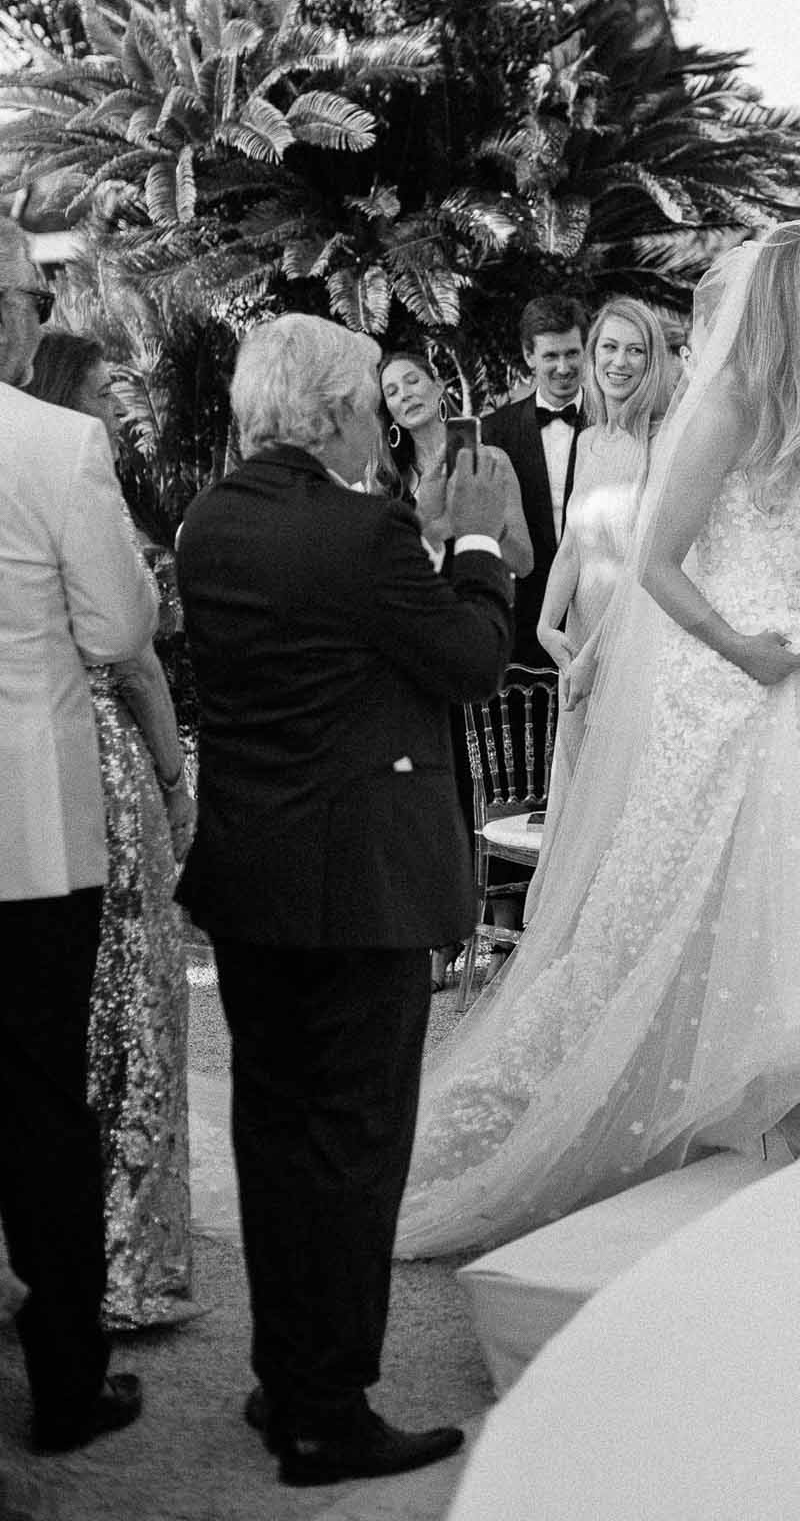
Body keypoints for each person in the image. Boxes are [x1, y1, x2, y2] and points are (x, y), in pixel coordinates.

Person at [395, 221, 800, 1257]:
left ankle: (792, 1100)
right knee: (671, 901)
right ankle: (683, 1110)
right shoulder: (724, 402)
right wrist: (739, 647)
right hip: (727, 670)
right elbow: (662, 564)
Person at [175, 314, 513, 1486]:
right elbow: (469, 659)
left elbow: (339, 638)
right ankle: (330, 1411)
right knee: (357, 1142)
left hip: (252, 874)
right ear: (330, 411)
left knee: (274, 1134)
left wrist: (411, 546)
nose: (379, 414)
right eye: (368, 398)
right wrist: (470, 545)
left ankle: (288, 1377)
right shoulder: (365, 529)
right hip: (358, 881)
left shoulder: (210, 520)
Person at [0, 218, 154, 1453]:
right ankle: (63, 1382)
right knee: (43, 1101)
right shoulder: (56, 445)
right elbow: (113, 627)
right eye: (28, 292)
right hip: (29, 834)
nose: (35, 312)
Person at [27, 332, 198, 1332]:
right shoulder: (74, 474)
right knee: (134, 1005)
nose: (117, 409)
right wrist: (177, 774)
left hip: (39, 750)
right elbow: (131, 656)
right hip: (103, 752)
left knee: (66, 1014)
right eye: (102, 391)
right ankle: (127, 1267)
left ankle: (63, 1249)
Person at [536, 298, 674, 791]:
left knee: (619, 787)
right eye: (610, 347)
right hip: (577, 641)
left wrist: (595, 655)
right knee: (577, 782)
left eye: (635, 350)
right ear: (592, 355)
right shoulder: (589, 440)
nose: (620, 362)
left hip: (628, 639)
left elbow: (645, 565)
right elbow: (573, 545)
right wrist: (546, 627)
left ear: (653, 360)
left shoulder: (662, 445)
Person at [481, 296, 589, 667]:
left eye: (572, 353)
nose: (563, 367)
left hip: (600, 617)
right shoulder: (494, 431)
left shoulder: (614, 425)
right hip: (523, 623)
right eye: (550, 356)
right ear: (529, 356)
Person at [376, 347, 531, 574]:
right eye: (392, 392)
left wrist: (487, 521)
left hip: (481, 604)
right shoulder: (388, 483)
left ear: (438, 386)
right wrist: (433, 525)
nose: (404, 394)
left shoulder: (491, 460)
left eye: (412, 381)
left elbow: (524, 564)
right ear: (390, 411)